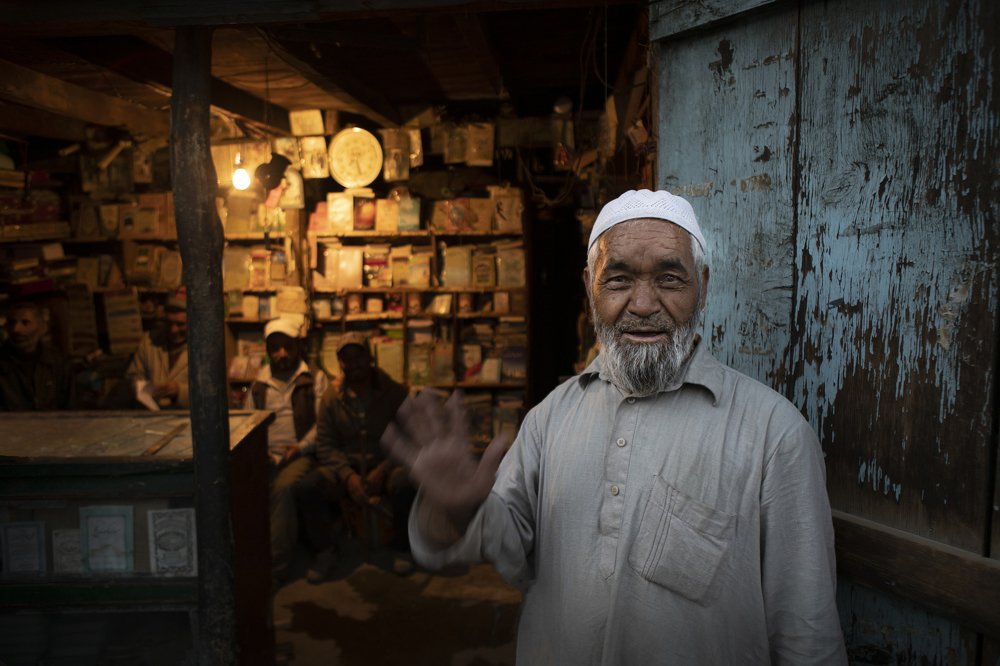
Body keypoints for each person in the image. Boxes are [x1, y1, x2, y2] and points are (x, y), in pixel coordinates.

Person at [383, 189, 847, 664]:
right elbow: (509, 546)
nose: (643, 304)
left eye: (669, 278)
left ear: (702, 286)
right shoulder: (550, 417)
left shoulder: (774, 434)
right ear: (589, 288)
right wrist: (459, 510)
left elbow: (806, 634)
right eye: (619, 279)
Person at [278, 332, 411, 584]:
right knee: (308, 487)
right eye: (347, 359)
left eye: (359, 356)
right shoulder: (331, 397)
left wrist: (382, 470)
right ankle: (326, 551)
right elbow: (326, 444)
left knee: (406, 482)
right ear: (341, 363)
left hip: (384, 463)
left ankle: (401, 548)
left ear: (369, 358)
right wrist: (347, 476)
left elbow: (409, 439)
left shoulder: (394, 392)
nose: (354, 364)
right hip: (346, 465)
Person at [244, 317, 329, 583]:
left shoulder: (313, 378)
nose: (281, 354)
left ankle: (276, 570)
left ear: (297, 347)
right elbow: (248, 423)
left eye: (287, 347)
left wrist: (300, 447)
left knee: (282, 488)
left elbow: (322, 425)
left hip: (301, 453)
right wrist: (260, 453)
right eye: (275, 348)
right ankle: (246, 559)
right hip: (266, 455)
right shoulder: (259, 384)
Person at [0, 300, 74, 410]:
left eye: (25, 322)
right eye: (12, 323)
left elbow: (70, 408)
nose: (16, 329)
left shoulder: (58, 364)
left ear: (42, 328)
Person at [126, 286, 189, 409]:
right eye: (169, 322)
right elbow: (132, 378)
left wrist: (179, 392)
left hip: (187, 420)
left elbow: (212, 392)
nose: (173, 330)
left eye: (180, 324)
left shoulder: (205, 349)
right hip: (151, 417)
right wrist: (148, 389)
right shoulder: (149, 341)